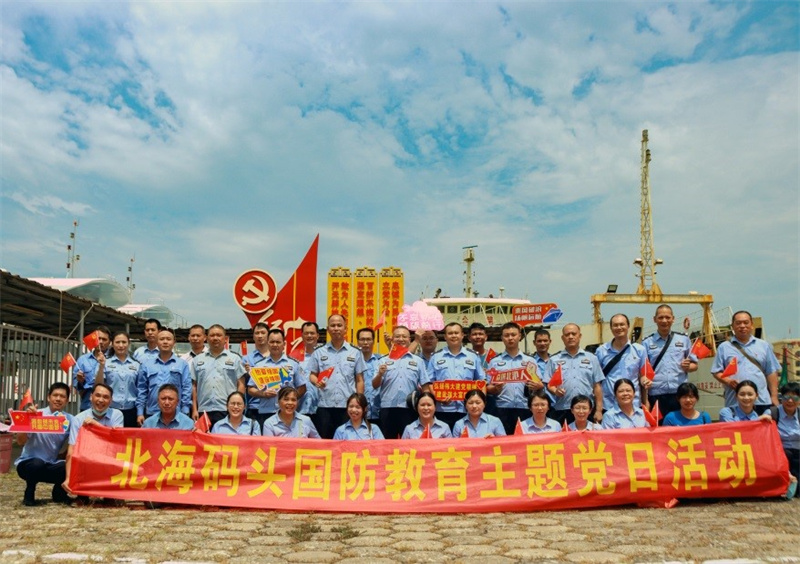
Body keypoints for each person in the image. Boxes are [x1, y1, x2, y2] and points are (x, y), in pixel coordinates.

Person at [15, 382, 74, 506]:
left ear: (67, 400)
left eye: (62, 396)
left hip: (50, 464)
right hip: (28, 465)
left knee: (70, 465)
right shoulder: (36, 414)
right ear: (48, 397)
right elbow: (20, 441)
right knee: (37, 463)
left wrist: (64, 455)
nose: (58, 399)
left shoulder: (70, 420)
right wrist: (27, 421)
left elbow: (76, 441)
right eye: (55, 395)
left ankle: (59, 494)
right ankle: (29, 493)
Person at [307, 314, 366, 439]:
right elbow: (312, 375)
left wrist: (359, 403)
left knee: (347, 441)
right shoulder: (319, 352)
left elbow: (359, 380)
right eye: (333, 325)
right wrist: (317, 382)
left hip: (347, 407)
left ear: (345, 328)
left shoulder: (355, 352)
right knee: (325, 442)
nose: (336, 328)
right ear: (328, 329)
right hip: (325, 406)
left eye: (339, 325)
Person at [712, 310, 780, 414]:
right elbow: (716, 371)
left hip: (761, 401)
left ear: (752, 325)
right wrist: (728, 381)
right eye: (738, 323)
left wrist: (774, 396)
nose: (742, 326)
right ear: (732, 326)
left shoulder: (763, 345)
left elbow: (771, 372)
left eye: (746, 322)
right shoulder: (724, 347)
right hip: (735, 402)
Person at [63, 383, 124, 494]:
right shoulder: (78, 419)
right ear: (91, 397)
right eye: (98, 395)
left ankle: (110, 494)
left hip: (109, 459)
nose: (101, 400)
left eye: (105, 397)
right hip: (87, 461)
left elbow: (117, 440)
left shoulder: (117, 415)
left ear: (111, 401)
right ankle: (83, 494)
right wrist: (68, 478)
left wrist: (96, 425)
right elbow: (71, 450)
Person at [374, 325, 432, 440]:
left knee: (409, 443)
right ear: (392, 339)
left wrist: (427, 404)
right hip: (387, 409)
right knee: (387, 443)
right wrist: (380, 374)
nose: (401, 339)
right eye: (397, 336)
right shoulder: (383, 360)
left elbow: (425, 386)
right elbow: (375, 385)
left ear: (409, 340)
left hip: (409, 409)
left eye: (404, 336)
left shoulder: (418, 361)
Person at [640, 305, 698, 416]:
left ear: (673, 319)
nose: (664, 321)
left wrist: (688, 366)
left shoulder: (684, 339)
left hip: (680, 394)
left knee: (680, 425)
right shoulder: (647, 342)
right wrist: (645, 400)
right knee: (659, 426)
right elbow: (643, 372)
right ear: (654, 319)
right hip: (656, 394)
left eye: (667, 317)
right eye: (660, 317)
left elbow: (695, 365)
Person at [427, 322, 487, 429]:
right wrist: (438, 397)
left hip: (468, 410)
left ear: (462, 335)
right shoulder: (435, 357)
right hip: (443, 410)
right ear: (445, 337)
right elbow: (429, 383)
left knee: (466, 438)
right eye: (450, 333)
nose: (453, 336)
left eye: (456, 333)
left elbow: (482, 382)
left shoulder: (473, 356)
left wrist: (480, 404)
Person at [545, 324, 604, 425]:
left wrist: (599, 410)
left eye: (574, 334)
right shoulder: (554, 359)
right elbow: (549, 384)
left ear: (580, 336)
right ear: (562, 338)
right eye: (567, 334)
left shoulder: (591, 358)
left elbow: (597, 386)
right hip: (563, 409)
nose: (570, 337)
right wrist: (555, 391)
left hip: (585, 410)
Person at [487, 322, 540, 435]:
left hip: (525, 408)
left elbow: (539, 384)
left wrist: (538, 386)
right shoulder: (494, 362)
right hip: (502, 409)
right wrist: (494, 389)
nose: (510, 338)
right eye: (506, 335)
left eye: (513, 335)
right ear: (502, 338)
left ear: (519, 336)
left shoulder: (530, 360)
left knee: (524, 440)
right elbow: (487, 387)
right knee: (502, 440)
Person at [245, 328, 304, 428]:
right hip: (265, 412)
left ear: (284, 344)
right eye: (272, 342)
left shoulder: (293, 364)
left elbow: (302, 387)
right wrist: (263, 394)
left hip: (287, 413)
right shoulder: (259, 365)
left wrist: (290, 400)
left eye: (278, 342)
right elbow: (250, 389)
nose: (275, 345)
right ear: (268, 343)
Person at [191, 324, 247, 427]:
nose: (215, 338)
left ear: (225, 339)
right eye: (212, 335)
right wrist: (194, 409)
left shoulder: (235, 359)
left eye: (219, 335)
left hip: (227, 410)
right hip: (204, 410)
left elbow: (241, 384)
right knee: (204, 437)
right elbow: (194, 386)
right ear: (207, 338)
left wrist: (237, 406)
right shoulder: (197, 360)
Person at [136, 328, 192, 425]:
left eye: (168, 339)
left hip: (176, 413)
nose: (165, 342)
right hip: (152, 412)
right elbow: (142, 389)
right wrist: (140, 412)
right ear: (157, 342)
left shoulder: (182, 364)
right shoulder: (147, 365)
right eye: (162, 339)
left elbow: (186, 388)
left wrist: (185, 409)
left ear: (174, 342)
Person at [595, 314, 646, 411]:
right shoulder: (601, 351)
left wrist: (646, 402)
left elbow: (644, 377)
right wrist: (598, 409)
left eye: (622, 324)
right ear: (611, 328)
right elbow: (597, 381)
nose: (619, 328)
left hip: (634, 405)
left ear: (628, 326)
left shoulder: (640, 350)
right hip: (609, 405)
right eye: (615, 325)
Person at [97, 331, 139, 427]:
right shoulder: (105, 362)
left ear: (129, 344)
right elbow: (98, 385)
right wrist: (101, 367)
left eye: (124, 342)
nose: (121, 345)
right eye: (117, 342)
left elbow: (140, 389)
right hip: (111, 410)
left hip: (131, 411)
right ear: (112, 344)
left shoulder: (136, 364)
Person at [73, 326, 111, 411]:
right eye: (98, 338)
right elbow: (76, 386)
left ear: (109, 342)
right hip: (87, 406)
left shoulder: (113, 360)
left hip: (109, 408)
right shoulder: (83, 360)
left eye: (104, 339)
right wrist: (80, 381)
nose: (101, 342)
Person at [468, 322, 497, 416]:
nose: (477, 337)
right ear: (469, 338)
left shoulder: (495, 357)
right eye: (474, 334)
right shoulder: (465, 357)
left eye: (480, 334)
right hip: (470, 399)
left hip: (490, 399)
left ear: (486, 337)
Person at [296, 321, 321, 428]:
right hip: (300, 408)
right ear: (302, 336)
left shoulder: (324, 355)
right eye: (306, 333)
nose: (309, 336)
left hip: (321, 407)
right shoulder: (294, 357)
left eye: (312, 333)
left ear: (317, 335)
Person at [774, 382, 800, 481]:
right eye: (786, 397)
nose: (790, 401)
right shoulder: (773, 413)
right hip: (780, 455)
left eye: (795, 398)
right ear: (781, 398)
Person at [357, 327, 382, 426]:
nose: (365, 342)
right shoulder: (353, 362)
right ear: (358, 342)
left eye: (368, 339)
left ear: (373, 341)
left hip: (379, 411)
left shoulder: (381, 360)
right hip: (358, 413)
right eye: (362, 339)